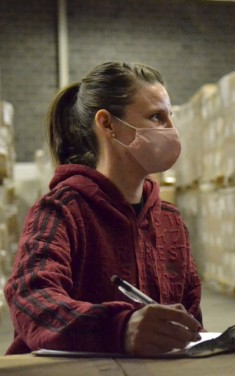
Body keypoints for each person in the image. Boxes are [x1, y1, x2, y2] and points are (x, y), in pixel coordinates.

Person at [4, 62, 203, 356]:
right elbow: (31, 298)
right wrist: (118, 328)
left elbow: (191, 321)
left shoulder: (169, 221)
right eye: (156, 117)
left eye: (170, 117)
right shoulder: (61, 210)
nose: (171, 131)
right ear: (108, 124)